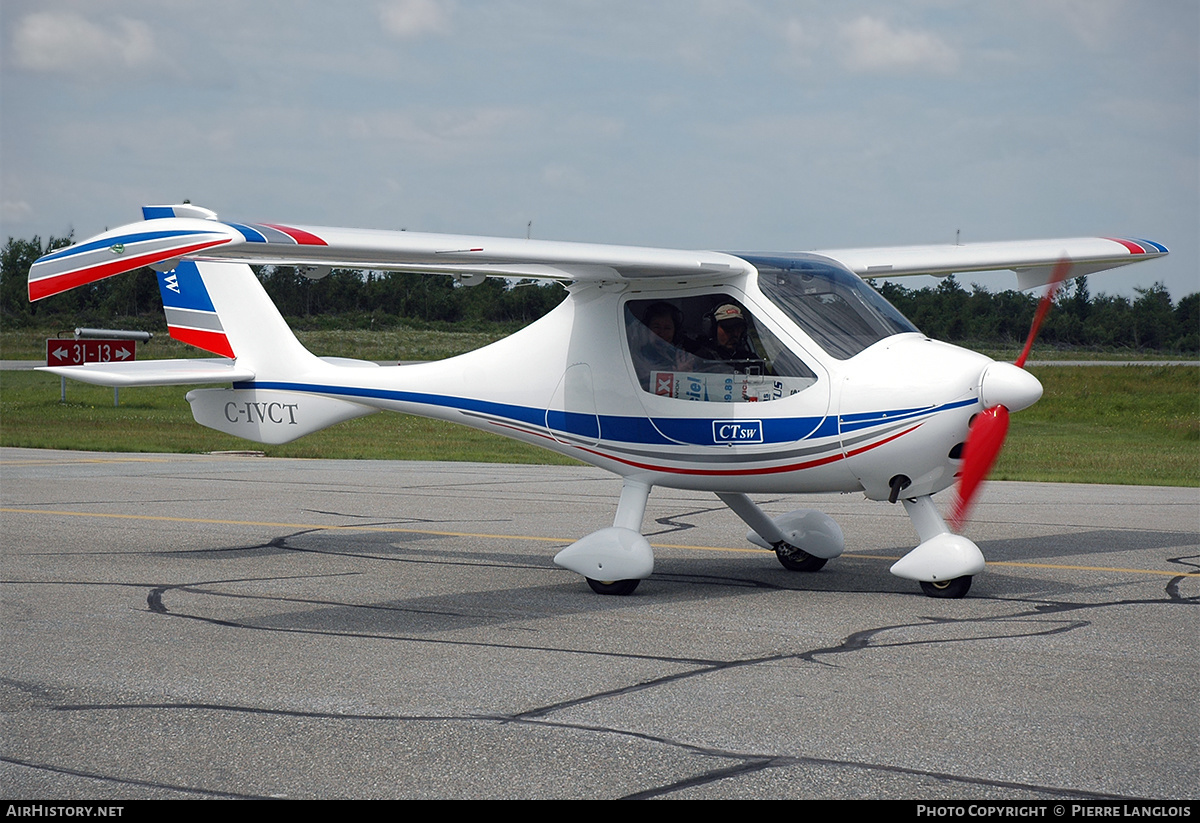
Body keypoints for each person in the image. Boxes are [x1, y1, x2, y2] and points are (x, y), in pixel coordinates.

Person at [694, 303, 759, 365]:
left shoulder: (752, 360)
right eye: (728, 328)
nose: (735, 333)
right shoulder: (701, 359)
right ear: (713, 329)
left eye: (738, 328)